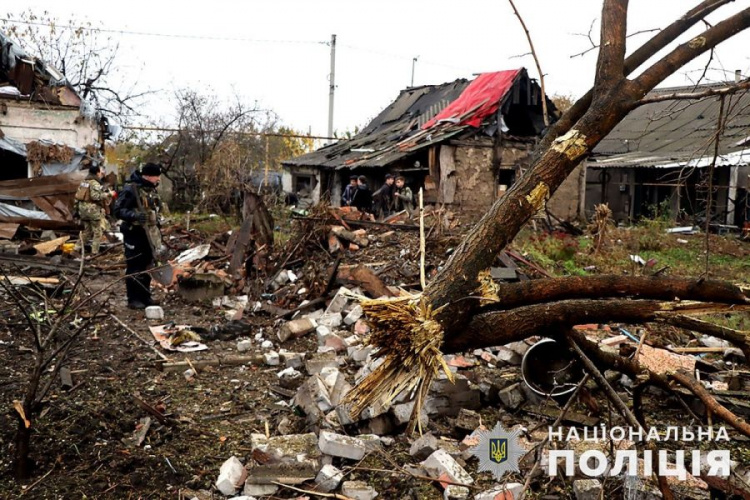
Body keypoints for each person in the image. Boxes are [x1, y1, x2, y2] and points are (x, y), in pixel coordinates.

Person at [113, 163, 164, 309]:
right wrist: (134, 215)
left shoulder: (150, 190)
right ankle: (133, 299)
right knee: (135, 265)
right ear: (148, 176)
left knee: (147, 265)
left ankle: (145, 296)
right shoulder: (131, 189)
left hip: (148, 234)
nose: (158, 179)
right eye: (157, 176)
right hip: (133, 233)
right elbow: (118, 210)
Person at [74, 165, 113, 254]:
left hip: (83, 210)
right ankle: (94, 252)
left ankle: (76, 249)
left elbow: (77, 197)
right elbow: (95, 196)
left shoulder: (83, 182)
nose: (101, 174)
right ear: (97, 173)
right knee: (97, 232)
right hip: (92, 210)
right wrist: (108, 194)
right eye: (100, 172)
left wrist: (76, 211)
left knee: (87, 232)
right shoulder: (94, 183)